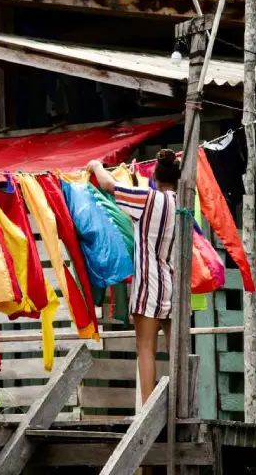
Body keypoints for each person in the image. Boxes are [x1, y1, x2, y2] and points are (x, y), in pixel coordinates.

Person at [88, 149, 180, 404]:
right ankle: (182, 404)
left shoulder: (147, 198)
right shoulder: (183, 203)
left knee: (146, 349)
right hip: (175, 287)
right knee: (177, 351)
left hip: (149, 286)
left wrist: (96, 165)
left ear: (155, 178)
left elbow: (108, 185)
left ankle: (149, 408)